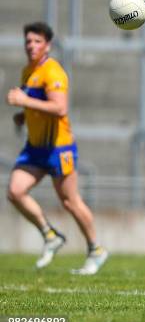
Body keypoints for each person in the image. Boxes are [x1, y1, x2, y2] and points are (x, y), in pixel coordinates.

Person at [5, 22, 108, 275]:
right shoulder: (27, 71)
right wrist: (24, 115)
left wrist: (24, 100)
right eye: (28, 41)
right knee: (15, 191)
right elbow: (38, 105)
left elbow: (59, 108)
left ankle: (96, 250)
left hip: (58, 148)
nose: (31, 46)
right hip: (35, 147)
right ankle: (50, 235)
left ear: (48, 45)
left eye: (37, 41)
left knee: (70, 202)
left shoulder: (53, 72)